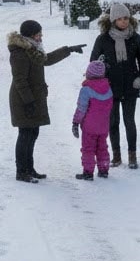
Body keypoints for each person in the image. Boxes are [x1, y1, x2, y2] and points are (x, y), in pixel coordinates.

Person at [7, 19, 85, 183]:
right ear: (30, 35)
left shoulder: (32, 49)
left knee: (32, 133)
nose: (41, 36)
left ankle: (29, 168)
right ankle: (21, 171)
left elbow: (47, 59)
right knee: (25, 134)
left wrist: (68, 50)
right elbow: (20, 81)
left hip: (32, 97)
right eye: (38, 34)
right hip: (23, 99)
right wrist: (28, 102)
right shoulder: (20, 53)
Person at [90, 2, 140, 169]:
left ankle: (132, 155)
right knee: (113, 122)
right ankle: (116, 155)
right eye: (120, 19)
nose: (124, 22)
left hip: (131, 86)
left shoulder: (135, 38)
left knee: (129, 121)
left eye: (126, 18)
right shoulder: (103, 39)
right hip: (110, 87)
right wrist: (102, 71)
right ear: (113, 20)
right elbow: (94, 63)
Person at [71, 59, 115, 180]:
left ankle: (88, 172)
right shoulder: (108, 88)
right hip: (104, 125)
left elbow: (81, 108)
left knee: (88, 149)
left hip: (89, 127)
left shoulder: (86, 90)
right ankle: (104, 169)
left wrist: (76, 122)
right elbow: (109, 107)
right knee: (102, 147)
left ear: (89, 73)